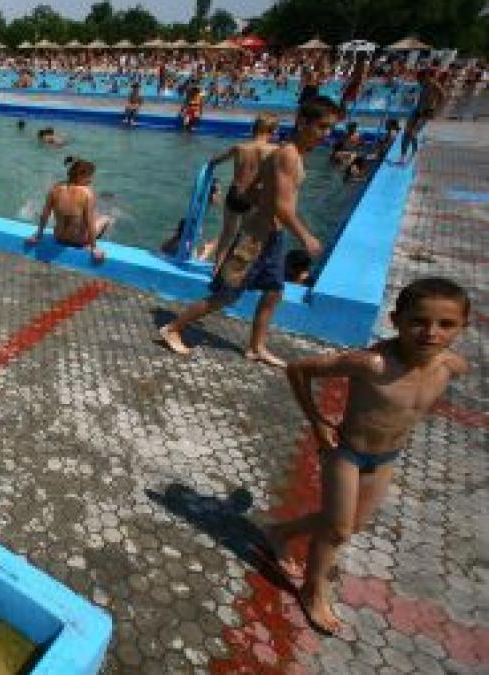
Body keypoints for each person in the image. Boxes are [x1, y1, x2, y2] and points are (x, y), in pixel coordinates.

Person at [263, 278, 471, 635]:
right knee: (338, 529)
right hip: (346, 452)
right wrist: (317, 421)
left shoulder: (451, 366)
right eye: (418, 321)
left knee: (349, 526)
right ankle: (313, 591)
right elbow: (298, 370)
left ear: (462, 327)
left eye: (446, 324)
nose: (431, 333)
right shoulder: (371, 364)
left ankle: (280, 532)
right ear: (396, 320)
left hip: (387, 457)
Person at [159, 97, 338, 368]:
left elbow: (252, 189)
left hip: (272, 238)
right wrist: (306, 237)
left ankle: (256, 347)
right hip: (255, 239)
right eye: (322, 127)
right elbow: (282, 207)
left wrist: (258, 200)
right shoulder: (287, 155)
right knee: (227, 295)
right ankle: (172, 328)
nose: (327, 134)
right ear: (303, 123)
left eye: (330, 128)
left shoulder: (290, 154)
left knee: (274, 291)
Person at [197, 112, 281, 265]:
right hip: (254, 197)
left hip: (234, 194)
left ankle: (217, 269)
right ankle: (236, 276)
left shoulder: (239, 147)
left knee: (227, 235)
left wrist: (211, 178)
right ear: (272, 130)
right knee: (249, 239)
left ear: (254, 129)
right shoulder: (274, 150)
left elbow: (214, 161)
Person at [25, 158, 112, 263]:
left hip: (59, 237)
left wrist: (38, 236)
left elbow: (45, 215)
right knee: (106, 219)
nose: (91, 180)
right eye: (89, 176)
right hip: (79, 241)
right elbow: (89, 223)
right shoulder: (87, 193)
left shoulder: (55, 189)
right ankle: (95, 243)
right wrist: (94, 248)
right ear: (80, 176)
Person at [399, 69, 446, 163]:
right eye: (418, 78)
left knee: (413, 133)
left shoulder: (434, 84)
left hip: (427, 112)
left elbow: (443, 95)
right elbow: (415, 93)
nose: (418, 80)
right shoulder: (422, 84)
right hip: (417, 110)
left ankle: (415, 151)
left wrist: (436, 108)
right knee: (406, 132)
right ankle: (403, 155)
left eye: (420, 78)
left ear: (426, 76)